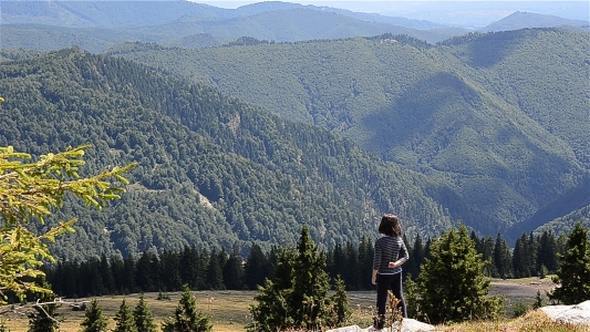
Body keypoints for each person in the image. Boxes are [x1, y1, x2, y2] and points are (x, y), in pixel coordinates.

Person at [372, 214, 409, 329]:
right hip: (397, 273)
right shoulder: (399, 240)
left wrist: (373, 277)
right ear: (395, 226)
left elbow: (377, 262)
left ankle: (379, 325)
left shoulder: (380, 242)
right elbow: (406, 256)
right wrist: (396, 264)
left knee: (381, 300)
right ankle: (405, 321)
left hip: (383, 275)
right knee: (399, 297)